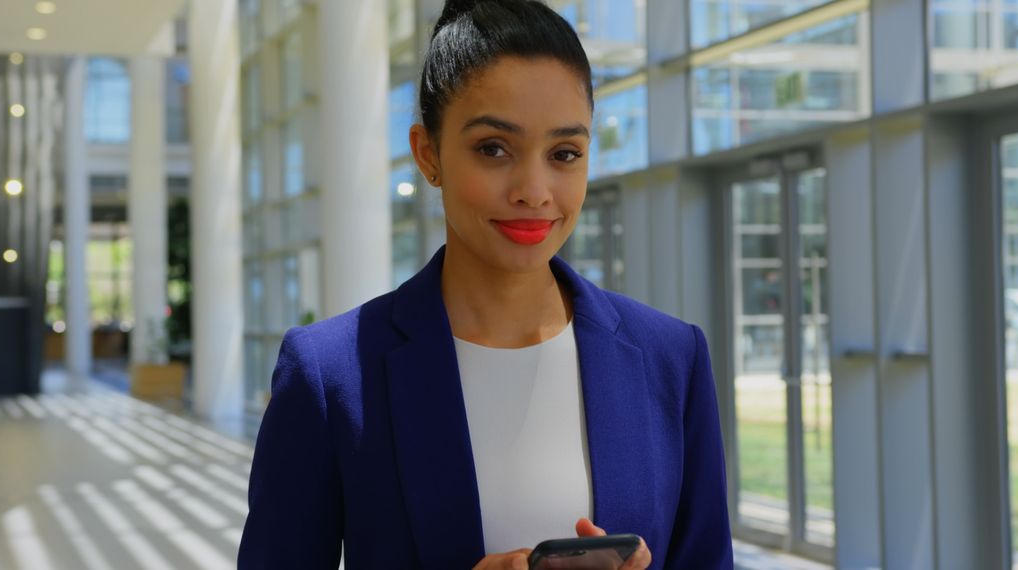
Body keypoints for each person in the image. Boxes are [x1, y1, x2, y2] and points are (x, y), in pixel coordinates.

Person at [237, 1, 732, 568]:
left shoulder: (670, 357)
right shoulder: (331, 375)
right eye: (494, 149)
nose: (534, 189)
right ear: (428, 155)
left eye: (564, 153)